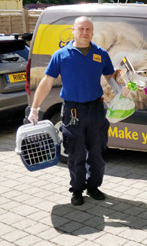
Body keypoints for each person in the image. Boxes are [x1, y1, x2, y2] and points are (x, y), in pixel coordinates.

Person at [28, 16, 115, 206]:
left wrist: (123, 89)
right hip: (72, 110)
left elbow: (111, 77)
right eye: (81, 29)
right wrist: (35, 108)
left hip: (95, 110)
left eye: (88, 30)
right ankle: (77, 189)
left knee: (96, 152)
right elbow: (47, 82)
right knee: (75, 153)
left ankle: (93, 186)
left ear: (93, 32)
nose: (85, 33)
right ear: (73, 31)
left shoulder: (101, 54)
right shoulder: (61, 55)